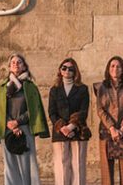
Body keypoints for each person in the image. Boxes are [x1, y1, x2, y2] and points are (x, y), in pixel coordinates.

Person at [0, 53, 49, 185]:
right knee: (10, 165)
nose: (16, 64)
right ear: (9, 67)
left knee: (27, 164)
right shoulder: (2, 88)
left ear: (24, 66)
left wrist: (17, 122)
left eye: (19, 62)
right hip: (7, 128)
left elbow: (33, 110)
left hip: (25, 128)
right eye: (13, 62)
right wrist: (10, 123)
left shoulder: (30, 87)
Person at [48, 58, 90, 185]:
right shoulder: (54, 90)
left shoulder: (82, 89)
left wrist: (71, 126)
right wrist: (62, 128)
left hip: (78, 130)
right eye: (64, 68)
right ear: (60, 71)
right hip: (59, 132)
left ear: (75, 71)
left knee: (78, 165)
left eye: (71, 69)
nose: (67, 71)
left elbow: (84, 111)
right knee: (61, 165)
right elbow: (52, 112)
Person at [96, 56, 123, 185]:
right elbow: (100, 110)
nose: (115, 69)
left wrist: (121, 129)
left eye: (118, 66)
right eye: (112, 66)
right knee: (107, 170)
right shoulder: (102, 87)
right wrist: (112, 128)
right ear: (108, 68)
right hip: (106, 131)